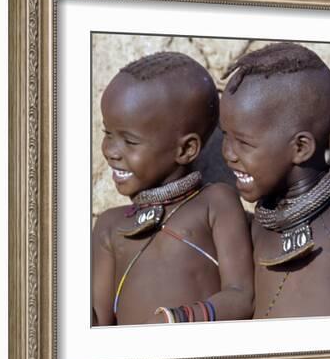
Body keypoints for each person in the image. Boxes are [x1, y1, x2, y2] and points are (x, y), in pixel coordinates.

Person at [219, 42, 330, 318]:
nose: (228, 153)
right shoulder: (263, 222)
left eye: (243, 142)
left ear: (300, 148)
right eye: (224, 136)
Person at [92, 52, 254, 326]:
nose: (110, 151)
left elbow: (242, 296)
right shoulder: (109, 225)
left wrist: (181, 320)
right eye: (108, 133)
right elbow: (99, 321)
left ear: (186, 149)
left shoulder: (214, 203)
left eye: (129, 141)